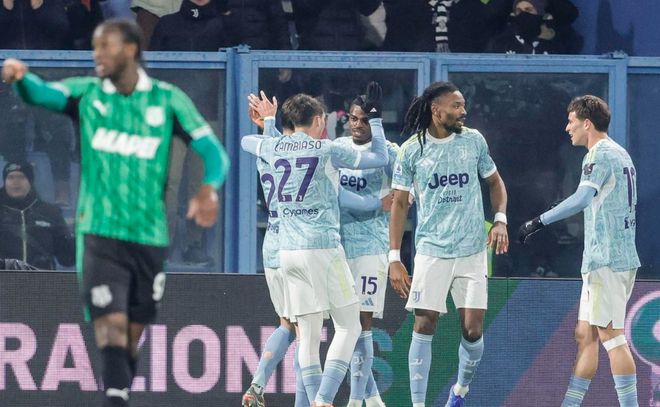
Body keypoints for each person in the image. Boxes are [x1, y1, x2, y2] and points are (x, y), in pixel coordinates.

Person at [1, 19, 230, 407]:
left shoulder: (168, 100)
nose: (97, 54)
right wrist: (22, 80)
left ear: (131, 50)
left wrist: (208, 188)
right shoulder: (88, 94)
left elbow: (213, 152)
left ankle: (118, 384)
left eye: (105, 47)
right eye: (95, 47)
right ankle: (115, 395)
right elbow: (45, 94)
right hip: (99, 230)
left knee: (133, 328)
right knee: (109, 321)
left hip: (148, 234)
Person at [241, 84, 388, 407]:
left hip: (287, 252)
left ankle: (307, 400)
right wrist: (376, 119)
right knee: (348, 326)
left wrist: (268, 123)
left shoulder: (272, 147)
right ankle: (323, 399)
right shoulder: (326, 150)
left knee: (306, 335)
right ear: (320, 120)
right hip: (323, 248)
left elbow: (246, 142)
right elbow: (380, 157)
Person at [388, 81, 509, 407]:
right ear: (436, 110)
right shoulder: (412, 150)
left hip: (471, 251)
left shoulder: (473, 141)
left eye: (463, 105)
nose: (463, 111)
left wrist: (500, 219)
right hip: (432, 251)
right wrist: (394, 257)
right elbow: (399, 204)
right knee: (424, 321)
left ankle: (460, 391)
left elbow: (495, 182)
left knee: (472, 330)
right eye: (456, 106)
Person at [519, 95, 640, 407]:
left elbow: (582, 198)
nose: (567, 127)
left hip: (607, 259)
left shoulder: (599, 154)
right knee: (585, 334)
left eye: (571, 121)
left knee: (611, 336)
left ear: (587, 123)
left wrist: (539, 221)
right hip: (611, 258)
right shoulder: (620, 153)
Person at [337, 92, 398, 407]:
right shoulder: (339, 148)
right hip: (337, 247)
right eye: (353, 118)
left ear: (375, 122)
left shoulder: (389, 152)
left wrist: (399, 198)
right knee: (345, 327)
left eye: (365, 120)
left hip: (372, 248)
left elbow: (407, 190)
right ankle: (373, 402)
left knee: (362, 323)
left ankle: (355, 401)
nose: (357, 125)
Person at [0, 161, 74, 270]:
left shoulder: (50, 213)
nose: (15, 182)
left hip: (42, 279)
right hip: (3, 279)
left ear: (30, 181)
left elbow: (67, 259)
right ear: (4, 182)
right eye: (10, 177)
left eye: (21, 177)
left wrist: (75, 240)